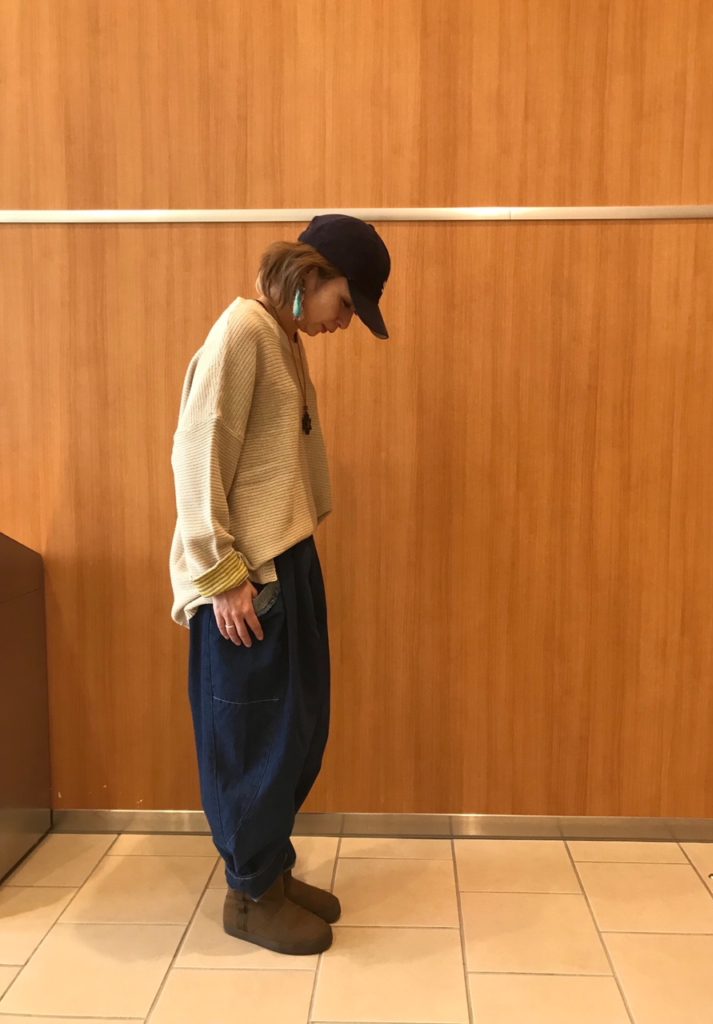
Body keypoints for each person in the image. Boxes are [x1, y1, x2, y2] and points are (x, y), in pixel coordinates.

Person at [169, 214, 391, 955]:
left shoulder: (282, 338)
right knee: (252, 734)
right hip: (246, 575)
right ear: (310, 274)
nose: (345, 322)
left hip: (286, 561)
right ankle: (249, 895)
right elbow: (195, 456)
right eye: (346, 304)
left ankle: (272, 869)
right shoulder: (242, 332)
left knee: (296, 730)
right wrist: (223, 575)